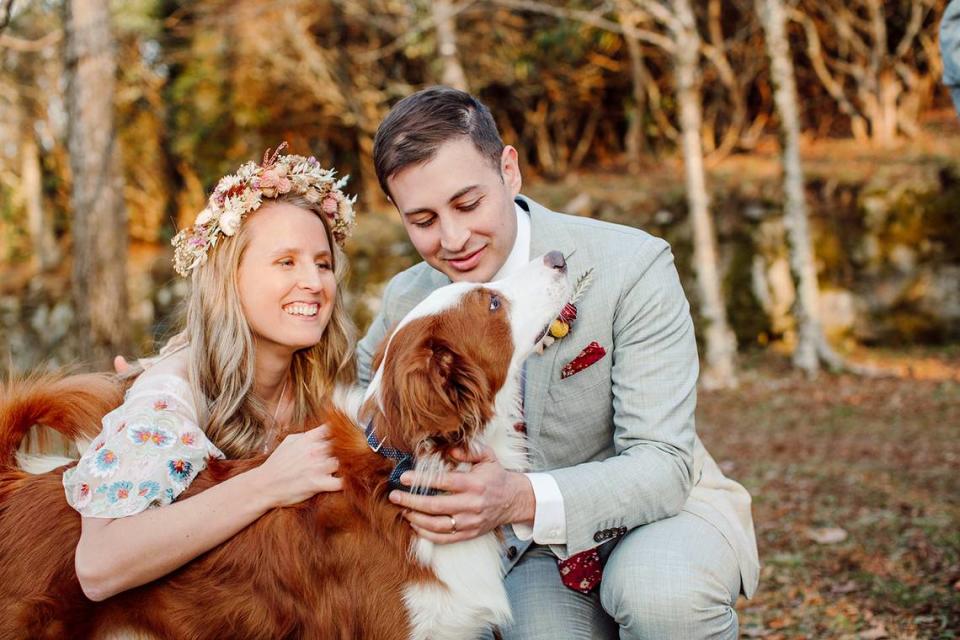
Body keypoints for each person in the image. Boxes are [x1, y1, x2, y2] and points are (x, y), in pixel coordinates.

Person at [356, 87, 760, 639]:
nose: (453, 239)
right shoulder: (410, 301)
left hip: (659, 513)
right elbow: (366, 426)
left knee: (660, 591)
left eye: (468, 204)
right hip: (526, 551)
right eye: (422, 219)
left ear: (509, 170)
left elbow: (663, 462)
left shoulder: (631, 265)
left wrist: (518, 496)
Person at [63, 146, 356, 602]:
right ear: (229, 278)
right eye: (286, 262)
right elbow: (98, 566)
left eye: (323, 263)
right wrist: (268, 484)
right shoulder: (172, 393)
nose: (315, 283)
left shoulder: (324, 380)